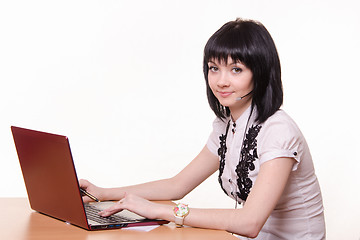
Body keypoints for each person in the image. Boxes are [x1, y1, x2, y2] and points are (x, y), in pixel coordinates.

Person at [80, 18, 326, 239]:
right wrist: (103, 193)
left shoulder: (278, 131)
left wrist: (158, 210)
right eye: (214, 68)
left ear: (259, 74)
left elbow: (250, 222)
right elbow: (177, 185)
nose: (221, 81)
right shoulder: (227, 126)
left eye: (236, 69)